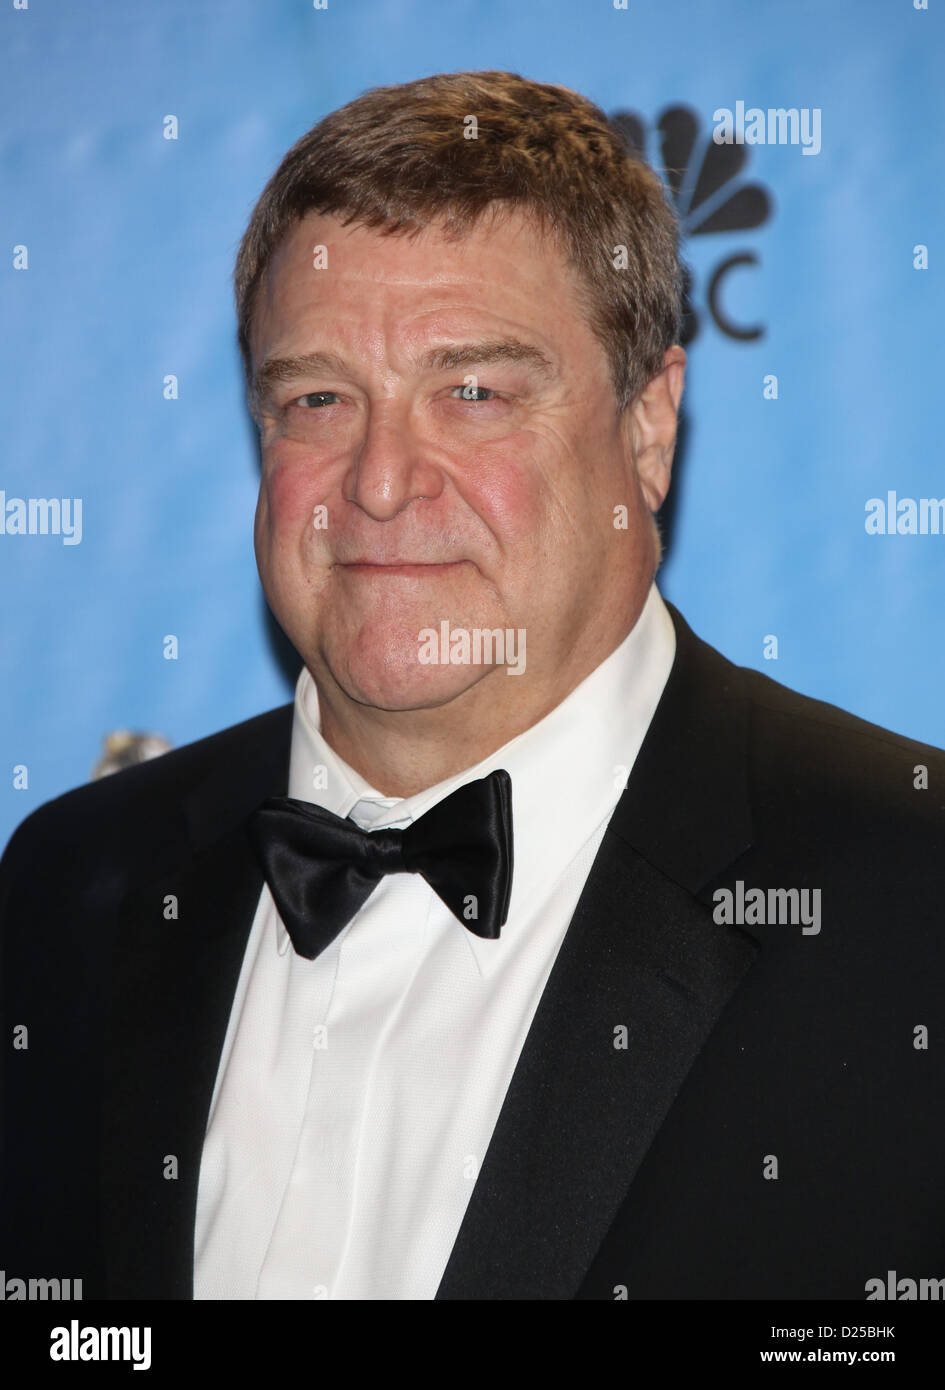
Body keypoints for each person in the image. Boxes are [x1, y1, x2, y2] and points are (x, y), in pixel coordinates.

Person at [2, 70, 943, 1303]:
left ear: (648, 428)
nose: (382, 481)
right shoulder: (71, 885)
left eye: (473, 391)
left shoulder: (908, 897)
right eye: (318, 398)